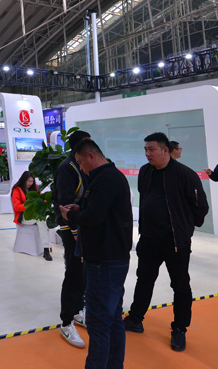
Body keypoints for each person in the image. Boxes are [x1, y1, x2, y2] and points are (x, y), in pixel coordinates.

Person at [123, 132, 208, 352]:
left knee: (180, 285)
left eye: (151, 149)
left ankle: (179, 328)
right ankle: (135, 318)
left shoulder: (185, 174)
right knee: (144, 279)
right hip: (149, 238)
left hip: (175, 241)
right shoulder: (145, 171)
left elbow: (200, 206)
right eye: (145, 149)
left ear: (165, 150)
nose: (147, 153)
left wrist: (185, 229)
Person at [61, 140, 132, 368]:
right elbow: (99, 211)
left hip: (104, 260)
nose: (80, 168)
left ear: (91, 156)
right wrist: (81, 209)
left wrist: (71, 216)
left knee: (99, 322)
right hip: (110, 258)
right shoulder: (107, 177)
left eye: (80, 162)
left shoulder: (106, 179)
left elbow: (94, 218)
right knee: (112, 319)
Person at [52, 129, 91, 347]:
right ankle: (66, 323)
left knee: (82, 273)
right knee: (74, 274)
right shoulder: (67, 168)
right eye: (87, 143)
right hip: (71, 228)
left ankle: (77, 312)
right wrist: (75, 232)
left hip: (82, 226)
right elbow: (65, 204)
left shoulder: (82, 165)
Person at [12, 170, 52, 261]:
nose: (30, 183)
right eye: (28, 181)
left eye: (32, 181)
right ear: (24, 180)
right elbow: (17, 207)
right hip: (24, 217)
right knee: (41, 219)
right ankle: (46, 249)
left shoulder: (35, 188)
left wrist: (43, 202)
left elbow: (42, 199)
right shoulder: (17, 190)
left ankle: (46, 248)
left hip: (34, 215)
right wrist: (30, 205)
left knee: (44, 218)